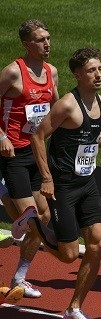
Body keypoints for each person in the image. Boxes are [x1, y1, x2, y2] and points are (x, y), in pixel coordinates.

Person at [13, 47, 101, 319]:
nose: (98, 75)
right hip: (63, 187)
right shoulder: (67, 105)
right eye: (92, 70)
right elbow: (37, 136)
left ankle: (74, 308)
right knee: (69, 256)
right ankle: (32, 222)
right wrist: (46, 178)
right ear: (78, 74)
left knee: (97, 243)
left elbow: (96, 137)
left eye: (100, 69)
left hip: (88, 184)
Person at [0, 19, 59, 298]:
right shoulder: (13, 73)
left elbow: (56, 112)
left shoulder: (52, 73)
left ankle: (19, 277)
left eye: (47, 38)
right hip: (11, 153)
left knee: (43, 220)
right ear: (26, 44)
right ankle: (6, 197)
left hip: (36, 153)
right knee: (33, 219)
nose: (46, 43)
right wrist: (1, 137)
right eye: (39, 40)